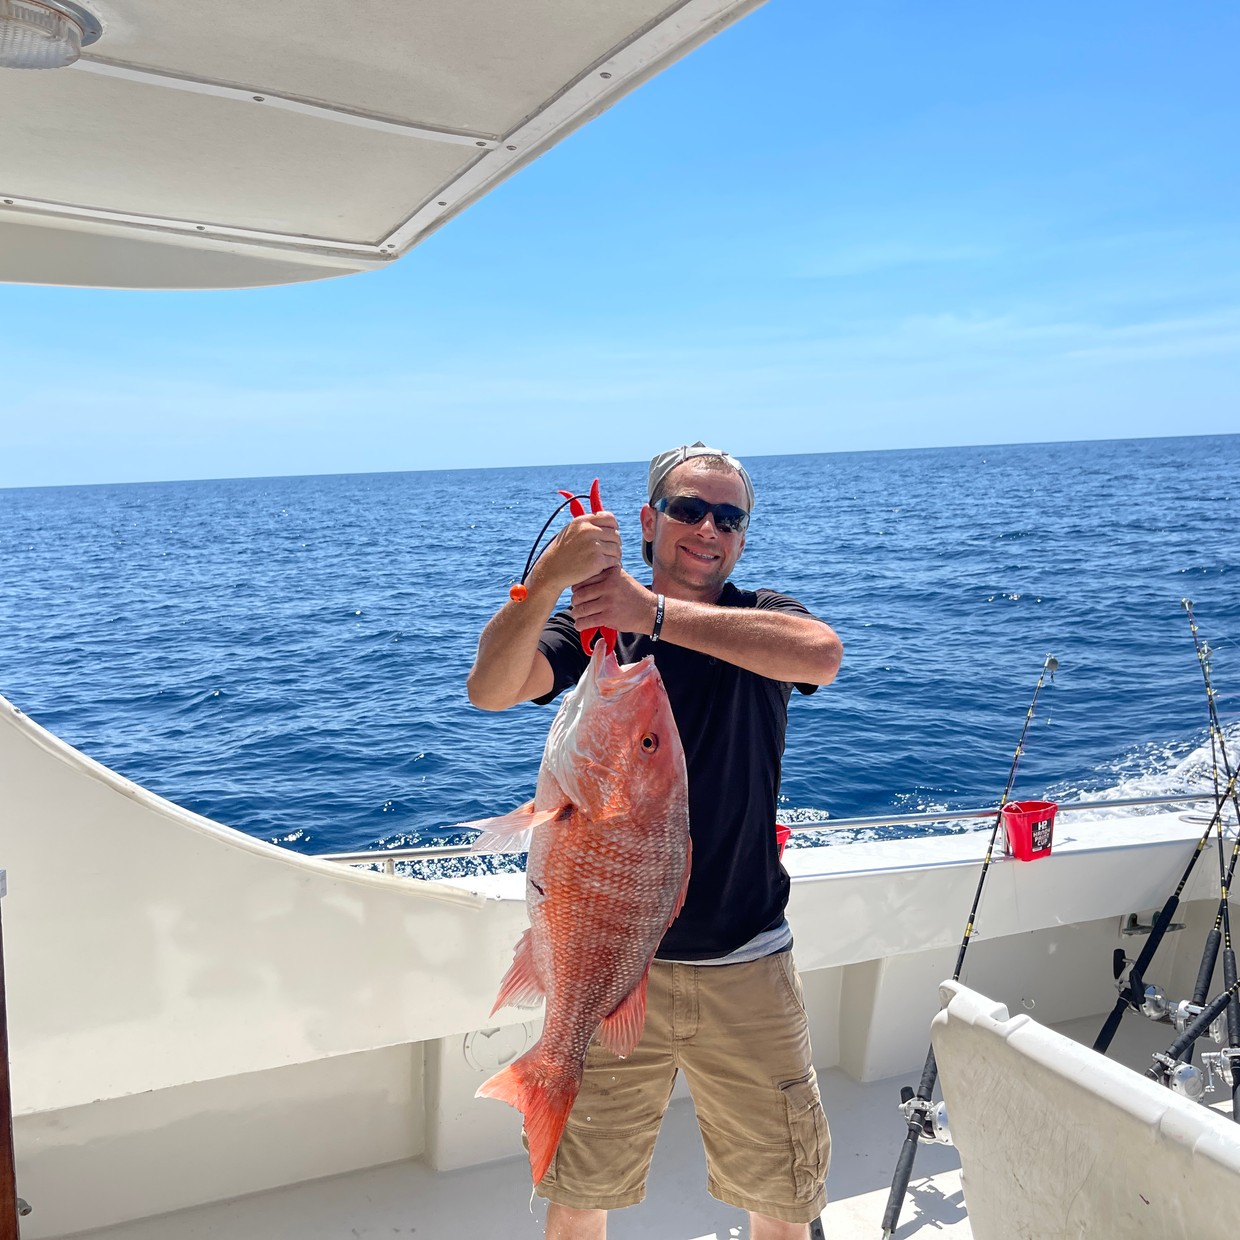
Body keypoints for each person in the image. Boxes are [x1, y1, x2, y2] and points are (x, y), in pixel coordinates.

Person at [467, 442, 843, 1240]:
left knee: (783, 1199)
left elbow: (822, 657)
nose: (708, 528)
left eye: (728, 516)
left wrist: (656, 616)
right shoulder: (589, 632)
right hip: (606, 978)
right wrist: (550, 582)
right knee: (578, 1197)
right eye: (688, 509)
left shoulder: (763, 617)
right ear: (648, 519)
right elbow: (492, 688)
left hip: (747, 963)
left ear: (742, 536)